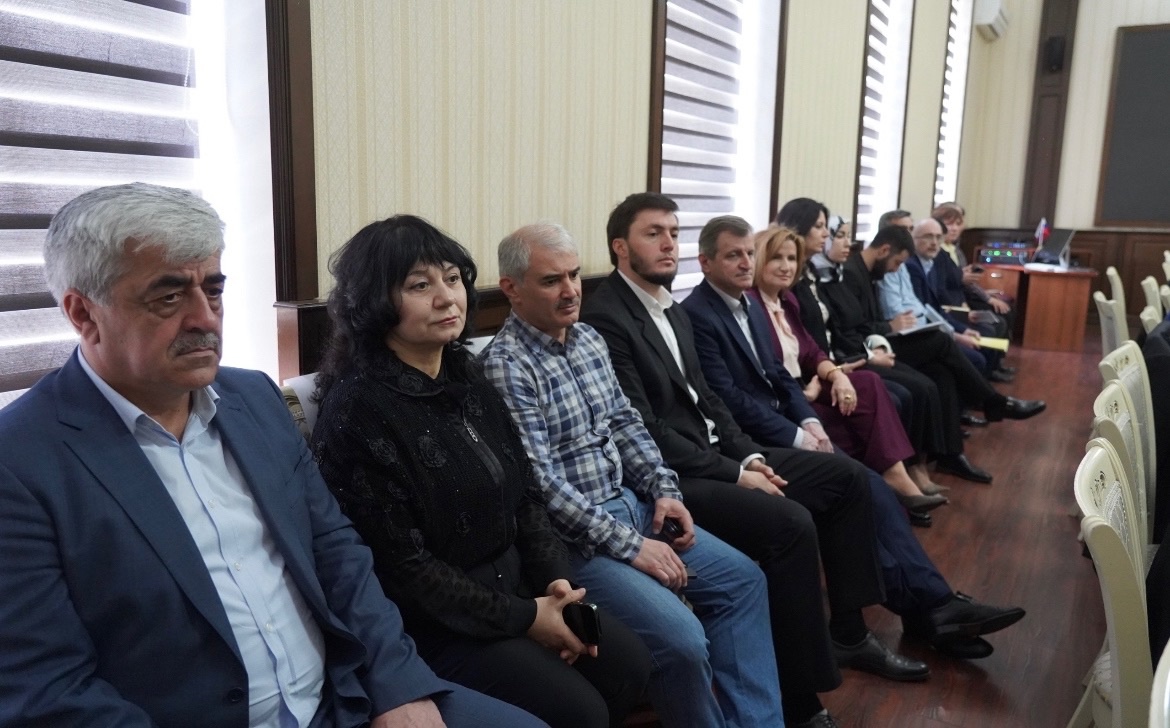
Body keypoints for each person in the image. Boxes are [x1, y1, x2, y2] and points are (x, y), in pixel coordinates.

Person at [0, 183, 545, 727]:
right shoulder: (22, 461)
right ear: (83, 313)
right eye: (168, 298)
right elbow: (49, 690)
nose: (205, 319)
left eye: (213, 290)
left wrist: (397, 686)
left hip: (343, 698)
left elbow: (338, 552)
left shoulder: (253, 399)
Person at [310, 216, 652, 728]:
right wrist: (528, 618)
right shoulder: (359, 409)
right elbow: (405, 569)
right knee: (580, 711)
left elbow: (527, 496)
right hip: (440, 623)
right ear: (375, 302)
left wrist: (555, 584)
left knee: (629, 666)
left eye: (452, 278)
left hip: (520, 589)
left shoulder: (465, 373)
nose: (447, 298)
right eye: (420, 286)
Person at [674, 211, 1025, 662]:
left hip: (785, 424)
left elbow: (779, 377)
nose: (746, 263)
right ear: (705, 263)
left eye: (748, 253)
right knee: (858, 484)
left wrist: (811, 423)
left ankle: (931, 607)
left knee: (871, 484)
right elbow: (731, 401)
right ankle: (926, 609)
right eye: (733, 256)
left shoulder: (748, 305)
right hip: (748, 443)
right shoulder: (698, 314)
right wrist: (797, 436)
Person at [481, 223, 787, 728]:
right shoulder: (507, 365)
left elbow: (625, 423)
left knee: (744, 583)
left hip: (635, 507)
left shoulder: (588, 339)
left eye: (574, 275)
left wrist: (664, 491)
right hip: (578, 540)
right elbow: (539, 482)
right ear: (511, 289)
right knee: (682, 642)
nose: (571, 290)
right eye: (552, 280)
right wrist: (633, 546)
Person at [744, 221, 945, 511]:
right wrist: (806, 392)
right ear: (760, 259)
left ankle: (896, 477)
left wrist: (837, 375)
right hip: (790, 398)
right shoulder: (751, 305)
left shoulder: (786, 300)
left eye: (791, 258)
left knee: (869, 383)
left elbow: (811, 351)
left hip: (810, 383)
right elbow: (767, 371)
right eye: (777, 258)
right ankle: (889, 489)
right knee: (862, 419)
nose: (786, 266)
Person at [779, 199, 972, 498]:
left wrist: (859, 356)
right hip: (828, 367)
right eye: (825, 230)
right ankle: (897, 478)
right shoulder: (806, 282)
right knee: (906, 387)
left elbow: (830, 335)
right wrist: (850, 362)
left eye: (835, 231)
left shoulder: (816, 276)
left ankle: (918, 468)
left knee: (935, 376)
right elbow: (822, 339)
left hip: (839, 360)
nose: (837, 240)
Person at [893, 217, 1006, 377]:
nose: (934, 242)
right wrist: (956, 333)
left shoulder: (931, 262)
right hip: (920, 330)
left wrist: (961, 329)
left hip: (942, 318)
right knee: (977, 356)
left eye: (938, 237)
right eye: (928, 237)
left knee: (989, 331)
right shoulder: (911, 266)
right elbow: (925, 310)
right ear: (913, 239)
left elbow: (935, 306)